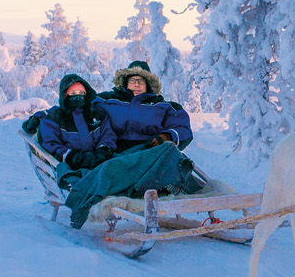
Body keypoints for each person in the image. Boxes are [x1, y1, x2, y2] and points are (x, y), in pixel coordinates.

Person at [62, 60, 204, 227]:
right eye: (132, 80)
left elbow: (182, 128)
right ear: (125, 82)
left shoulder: (165, 106)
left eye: (141, 80)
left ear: (149, 84)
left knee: (169, 150)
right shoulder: (106, 100)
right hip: (116, 152)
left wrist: (166, 136)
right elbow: (73, 107)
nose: (136, 84)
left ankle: (119, 184)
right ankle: (88, 195)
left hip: (149, 153)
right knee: (114, 165)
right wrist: (40, 117)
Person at [33, 72, 102, 180]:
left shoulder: (95, 115)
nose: (78, 96)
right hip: (70, 164)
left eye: (81, 92)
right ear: (65, 96)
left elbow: (107, 135)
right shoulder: (54, 119)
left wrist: (103, 151)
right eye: (73, 93)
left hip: (96, 162)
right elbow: (50, 143)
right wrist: (73, 157)